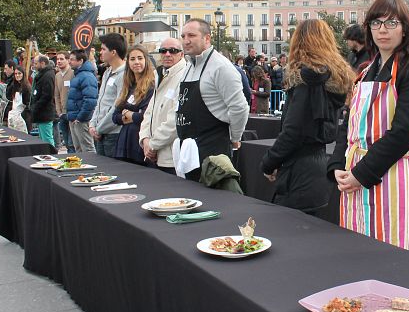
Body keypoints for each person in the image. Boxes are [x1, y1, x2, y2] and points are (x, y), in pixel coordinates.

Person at [328, 0, 409, 254]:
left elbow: (404, 133)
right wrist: (336, 164)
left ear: (405, 28)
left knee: (393, 250)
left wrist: (361, 174)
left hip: (394, 175)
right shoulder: (364, 72)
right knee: (358, 249)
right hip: (355, 173)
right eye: (377, 23)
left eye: (391, 23)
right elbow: (348, 123)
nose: (383, 29)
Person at [261, 19, 352, 213]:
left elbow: (293, 131)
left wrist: (269, 163)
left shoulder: (306, 82)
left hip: (298, 172)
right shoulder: (332, 80)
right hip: (320, 166)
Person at [175, 19, 249, 181]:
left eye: (192, 35)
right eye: (183, 36)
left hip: (213, 152)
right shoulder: (189, 65)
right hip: (190, 151)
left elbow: (239, 107)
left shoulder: (221, 67)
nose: (186, 40)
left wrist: (235, 138)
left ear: (207, 38)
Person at [140, 38, 187, 173]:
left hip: (171, 157)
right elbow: (149, 112)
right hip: (153, 153)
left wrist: (153, 145)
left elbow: (175, 120)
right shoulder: (159, 74)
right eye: (163, 51)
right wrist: (145, 139)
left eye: (172, 51)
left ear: (181, 54)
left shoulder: (185, 76)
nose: (167, 54)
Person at [112, 45, 155, 164]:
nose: (136, 62)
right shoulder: (128, 86)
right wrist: (131, 116)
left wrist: (129, 114)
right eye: (132, 59)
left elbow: (145, 117)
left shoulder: (151, 86)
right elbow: (115, 117)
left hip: (139, 145)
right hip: (124, 144)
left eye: (140, 58)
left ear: (146, 60)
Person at [89, 33, 127, 156]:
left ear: (113, 52)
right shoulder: (107, 72)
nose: (100, 52)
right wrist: (92, 124)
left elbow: (117, 106)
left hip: (113, 134)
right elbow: (100, 101)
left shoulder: (124, 75)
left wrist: (99, 128)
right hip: (100, 132)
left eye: (104, 49)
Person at [67, 49, 99, 153]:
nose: (69, 62)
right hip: (75, 118)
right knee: (79, 150)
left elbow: (90, 100)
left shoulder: (87, 76)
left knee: (87, 149)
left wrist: (80, 117)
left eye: (72, 59)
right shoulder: (78, 75)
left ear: (80, 61)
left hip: (81, 120)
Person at [30, 54, 56, 146]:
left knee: (47, 139)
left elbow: (47, 95)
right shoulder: (42, 75)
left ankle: (52, 155)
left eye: (36, 63)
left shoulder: (48, 76)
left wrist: (36, 106)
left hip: (45, 112)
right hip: (41, 113)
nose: (34, 66)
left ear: (43, 63)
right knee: (43, 138)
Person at [54, 51, 75, 153]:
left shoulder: (73, 73)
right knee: (66, 143)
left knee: (72, 143)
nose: (59, 61)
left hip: (72, 113)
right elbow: (56, 95)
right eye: (57, 59)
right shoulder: (57, 75)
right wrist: (59, 111)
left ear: (67, 60)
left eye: (61, 59)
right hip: (62, 114)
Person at [6, 65, 31, 133]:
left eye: (19, 73)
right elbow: (8, 97)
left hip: (22, 117)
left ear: (23, 74)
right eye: (16, 74)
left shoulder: (26, 87)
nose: (17, 75)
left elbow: (28, 103)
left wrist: (23, 115)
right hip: (13, 116)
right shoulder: (13, 86)